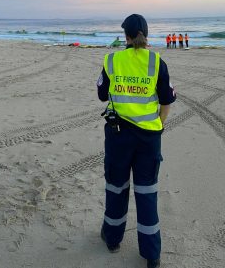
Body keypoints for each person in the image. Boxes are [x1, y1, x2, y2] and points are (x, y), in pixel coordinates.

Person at [96, 14, 175, 268]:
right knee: (147, 193)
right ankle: (152, 255)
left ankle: (112, 238)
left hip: (118, 136)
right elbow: (166, 101)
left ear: (126, 37)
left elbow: (101, 94)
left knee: (116, 188)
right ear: (146, 35)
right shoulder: (157, 62)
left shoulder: (112, 60)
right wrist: (158, 125)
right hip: (149, 139)